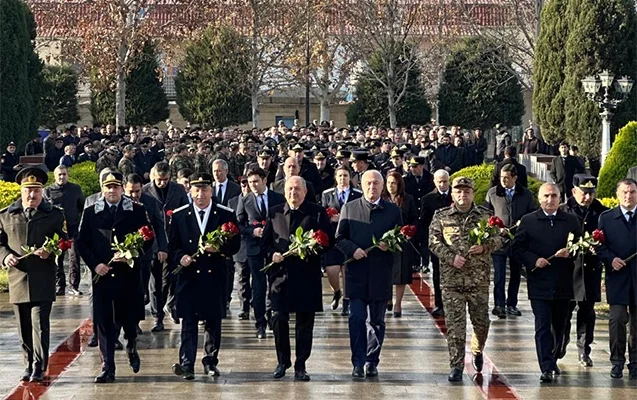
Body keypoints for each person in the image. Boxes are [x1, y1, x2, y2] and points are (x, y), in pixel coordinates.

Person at [76, 171, 153, 383]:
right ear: (103, 189)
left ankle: (131, 346)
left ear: (122, 189)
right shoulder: (92, 212)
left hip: (128, 274)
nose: (112, 191)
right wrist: (95, 264)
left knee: (128, 320)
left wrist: (131, 253)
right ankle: (107, 366)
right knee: (104, 323)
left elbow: (147, 237)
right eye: (108, 187)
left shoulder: (137, 210)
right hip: (103, 276)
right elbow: (82, 242)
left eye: (116, 187)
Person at [429, 176, 502, 382]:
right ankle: (456, 365)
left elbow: (498, 239)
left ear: (472, 193)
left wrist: (484, 247)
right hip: (451, 282)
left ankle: (477, 350)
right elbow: (433, 242)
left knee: (482, 324)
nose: (463, 195)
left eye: (467, 191)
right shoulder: (441, 216)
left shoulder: (485, 215)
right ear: (452, 193)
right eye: (458, 191)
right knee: (455, 327)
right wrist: (451, 258)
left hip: (478, 281)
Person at [169, 172, 240, 380]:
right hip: (189, 277)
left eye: (205, 189)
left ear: (212, 191)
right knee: (188, 323)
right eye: (196, 189)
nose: (201, 194)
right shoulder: (180, 215)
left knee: (213, 322)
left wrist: (218, 248)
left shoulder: (225, 214)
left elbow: (234, 244)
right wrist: (180, 257)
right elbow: (173, 245)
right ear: (190, 191)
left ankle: (210, 361)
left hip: (214, 274)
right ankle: (187, 363)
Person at [0, 167, 67, 382]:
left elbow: (64, 240)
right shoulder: (6, 215)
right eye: (28, 190)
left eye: (36, 191)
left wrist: (52, 249)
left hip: (43, 277)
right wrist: (4, 256)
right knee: (24, 326)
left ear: (42, 192)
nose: (32, 195)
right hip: (18, 278)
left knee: (40, 325)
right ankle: (28, 363)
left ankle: (39, 365)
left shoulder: (54, 214)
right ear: (21, 191)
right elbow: (0, 243)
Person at [261, 176, 331, 381]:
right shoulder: (274, 212)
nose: (294, 193)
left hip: (306, 276)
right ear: (284, 192)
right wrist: (272, 253)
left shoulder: (316, 213)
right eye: (290, 189)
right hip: (280, 277)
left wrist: (311, 248)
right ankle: (283, 361)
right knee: (278, 319)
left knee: (304, 323)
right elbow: (265, 243)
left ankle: (301, 364)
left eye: (298, 189)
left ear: (305, 191)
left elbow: (328, 241)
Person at [335, 170, 402, 379]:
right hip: (356, 273)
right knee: (356, 318)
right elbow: (339, 237)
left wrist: (389, 244)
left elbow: (401, 238)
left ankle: (372, 360)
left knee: (376, 321)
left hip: (380, 273)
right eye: (368, 183)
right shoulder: (350, 207)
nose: (372, 187)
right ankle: (358, 362)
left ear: (382, 187)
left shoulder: (392, 211)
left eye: (376, 184)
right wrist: (352, 249)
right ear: (361, 186)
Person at [512, 183, 581, 383]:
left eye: (554, 196)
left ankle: (554, 355)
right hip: (539, 283)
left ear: (560, 198)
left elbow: (580, 246)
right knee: (542, 325)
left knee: (560, 325)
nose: (550, 200)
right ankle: (546, 366)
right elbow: (517, 249)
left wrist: (571, 252)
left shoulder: (571, 221)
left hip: (563, 283)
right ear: (539, 198)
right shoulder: (528, 221)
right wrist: (534, 260)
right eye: (546, 196)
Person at [558, 174, 607, 367]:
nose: (587, 197)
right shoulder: (563, 211)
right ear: (574, 191)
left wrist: (599, 248)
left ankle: (584, 350)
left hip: (590, 269)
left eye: (591, 193)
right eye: (583, 193)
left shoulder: (601, 213)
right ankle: (559, 345)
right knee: (563, 312)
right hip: (568, 270)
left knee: (587, 313)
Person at [235, 167, 285, 338]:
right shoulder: (245, 199)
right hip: (254, 247)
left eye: (256, 181)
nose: (253, 185)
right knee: (258, 285)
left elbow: (284, 220)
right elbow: (239, 224)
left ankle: (272, 315)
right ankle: (260, 323)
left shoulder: (278, 198)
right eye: (250, 183)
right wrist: (252, 231)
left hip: (273, 247)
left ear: (264, 180)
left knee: (274, 283)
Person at [596, 178, 637, 379]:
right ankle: (617, 362)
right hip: (618, 277)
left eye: (632, 192)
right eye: (624, 192)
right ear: (617, 195)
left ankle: (635, 363)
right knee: (617, 319)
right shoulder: (606, 218)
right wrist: (611, 259)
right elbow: (598, 246)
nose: (628, 196)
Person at [484, 164, 535, 318]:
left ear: (515, 177)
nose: (503, 181)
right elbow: (486, 215)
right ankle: (499, 304)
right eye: (501, 178)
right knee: (499, 275)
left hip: (518, 240)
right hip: (499, 240)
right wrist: (496, 228)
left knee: (515, 274)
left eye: (507, 178)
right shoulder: (493, 193)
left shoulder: (525, 194)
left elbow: (531, 214)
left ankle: (511, 303)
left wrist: (523, 226)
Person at [142, 162, 189, 326]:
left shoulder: (178, 189)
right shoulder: (144, 190)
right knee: (156, 282)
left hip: (173, 238)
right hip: (153, 240)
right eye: (159, 180)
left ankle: (172, 305)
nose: (162, 183)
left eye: (166, 179)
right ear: (153, 176)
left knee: (173, 277)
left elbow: (184, 212)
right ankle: (157, 315)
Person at [123, 173, 168, 331]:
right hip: (128, 253)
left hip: (148, 251)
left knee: (154, 286)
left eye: (137, 191)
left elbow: (158, 225)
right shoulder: (120, 203)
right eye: (131, 192)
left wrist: (162, 247)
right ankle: (134, 322)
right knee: (133, 288)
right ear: (124, 189)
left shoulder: (150, 202)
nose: (134, 195)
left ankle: (158, 317)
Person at [321, 167, 362, 316]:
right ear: (335, 177)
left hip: (349, 238)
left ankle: (347, 300)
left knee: (347, 271)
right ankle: (337, 292)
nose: (342, 178)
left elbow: (360, 213)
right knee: (332, 270)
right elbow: (322, 213)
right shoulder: (327, 194)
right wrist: (330, 218)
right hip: (333, 238)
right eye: (340, 175)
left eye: (345, 175)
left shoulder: (358, 194)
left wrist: (344, 219)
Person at [43, 165, 85, 296]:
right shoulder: (48, 191)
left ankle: (74, 285)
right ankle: (59, 285)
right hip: (57, 231)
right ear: (55, 176)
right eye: (59, 174)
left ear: (68, 175)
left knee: (74, 258)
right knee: (57, 258)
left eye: (64, 174)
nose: (62, 177)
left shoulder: (75, 189)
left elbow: (82, 208)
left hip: (73, 229)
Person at [383, 171, 417, 317]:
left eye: (394, 183)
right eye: (389, 182)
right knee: (386, 272)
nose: (391, 186)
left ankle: (398, 304)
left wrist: (409, 232)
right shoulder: (382, 199)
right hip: (385, 241)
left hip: (402, 242)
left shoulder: (408, 199)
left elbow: (414, 219)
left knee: (400, 274)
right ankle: (388, 299)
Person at [419, 169, 453, 317]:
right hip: (437, 243)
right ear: (435, 182)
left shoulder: (456, 196)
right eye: (439, 181)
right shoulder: (428, 199)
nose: (442, 184)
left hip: (455, 243)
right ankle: (439, 303)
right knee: (438, 274)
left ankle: (452, 303)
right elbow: (424, 222)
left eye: (445, 181)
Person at [211, 159, 241, 312]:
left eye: (220, 171)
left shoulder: (235, 189)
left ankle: (227, 298)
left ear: (226, 171)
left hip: (228, 234)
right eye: (214, 171)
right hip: (212, 236)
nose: (217, 174)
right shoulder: (209, 188)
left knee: (229, 270)